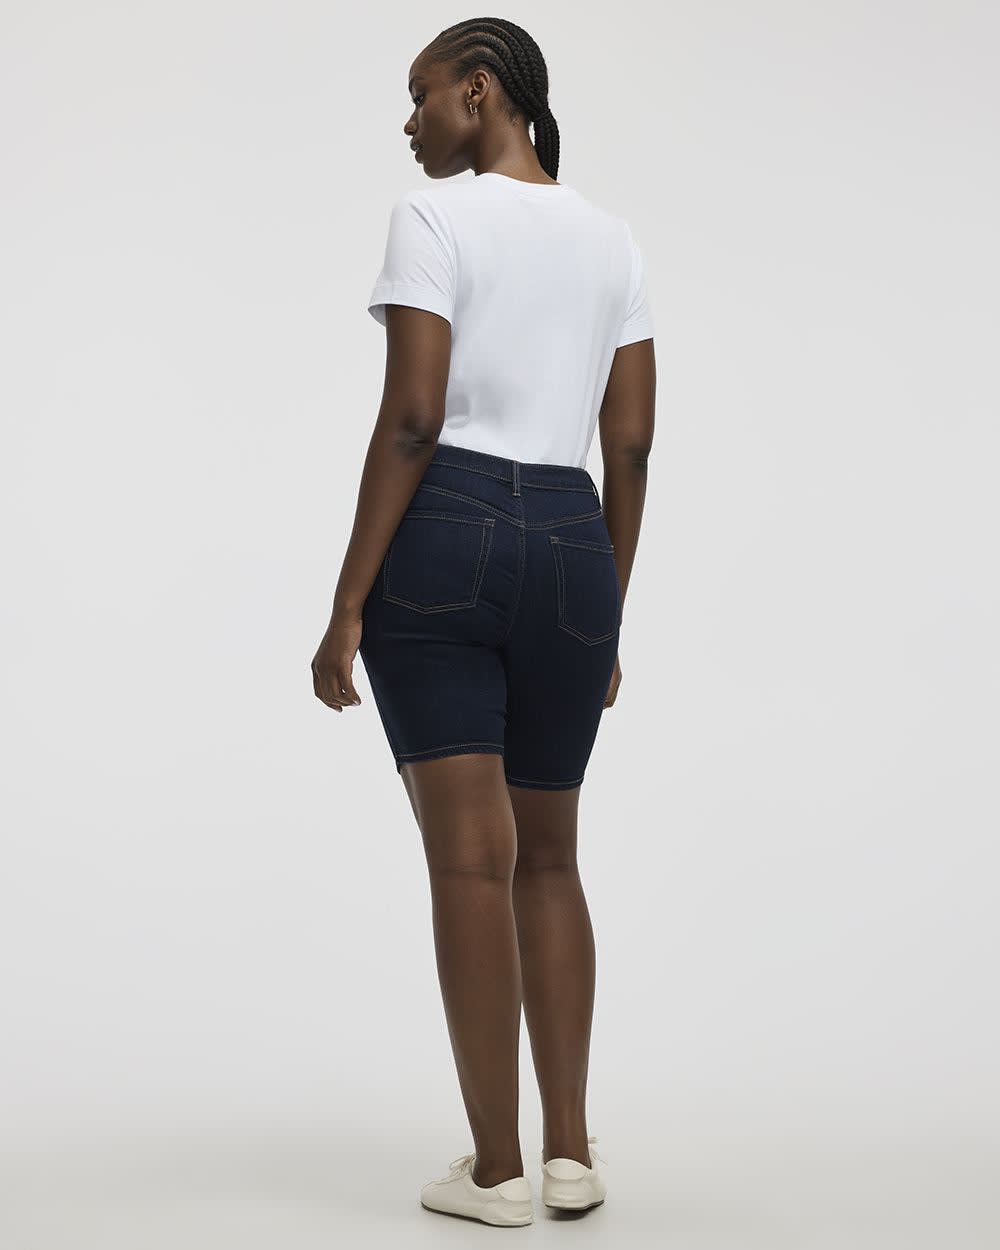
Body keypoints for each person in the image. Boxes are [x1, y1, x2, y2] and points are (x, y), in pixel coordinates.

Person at [311, 17, 655, 1227]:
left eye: (420, 97)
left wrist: (346, 604)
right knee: (550, 856)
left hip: (448, 528)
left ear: (480, 89)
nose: (409, 123)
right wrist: (604, 608)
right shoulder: (613, 239)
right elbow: (628, 444)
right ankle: (569, 1157)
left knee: (470, 859)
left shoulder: (434, 218)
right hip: (573, 543)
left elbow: (413, 417)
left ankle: (496, 1171)